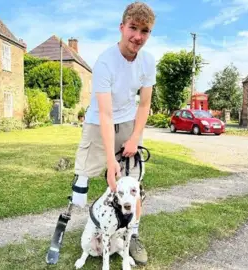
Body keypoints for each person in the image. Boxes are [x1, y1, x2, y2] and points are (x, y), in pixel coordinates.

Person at [70, 1, 156, 266]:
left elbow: (144, 104)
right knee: (90, 176)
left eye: (145, 30)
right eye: (133, 28)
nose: (137, 36)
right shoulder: (105, 62)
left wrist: (134, 138)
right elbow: (105, 115)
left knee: (132, 182)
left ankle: (133, 234)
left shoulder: (148, 61)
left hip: (129, 119)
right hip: (100, 121)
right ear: (122, 27)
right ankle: (84, 201)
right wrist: (110, 160)